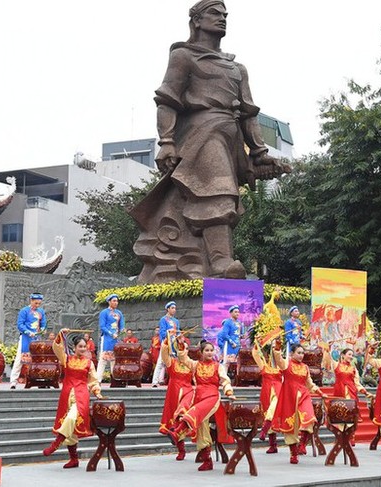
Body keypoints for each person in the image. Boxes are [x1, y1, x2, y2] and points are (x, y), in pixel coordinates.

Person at [130, 0, 290, 282]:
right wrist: (166, 141)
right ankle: (221, 262)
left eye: (225, 14)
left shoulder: (237, 68)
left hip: (231, 136)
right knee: (218, 192)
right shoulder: (183, 56)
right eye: (215, 13)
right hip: (201, 132)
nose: (223, 18)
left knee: (221, 196)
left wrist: (259, 151)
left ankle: (209, 258)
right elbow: (167, 99)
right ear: (196, 21)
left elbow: (249, 112)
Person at [168, 339, 234, 471]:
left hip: (212, 397)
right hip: (198, 397)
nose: (210, 353)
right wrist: (180, 345)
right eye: (207, 350)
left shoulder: (218, 366)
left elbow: (225, 380)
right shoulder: (195, 365)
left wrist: (229, 391)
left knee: (194, 412)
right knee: (202, 429)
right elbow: (183, 358)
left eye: (211, 350)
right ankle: (207, 460)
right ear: (201, 352)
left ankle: (178, 431)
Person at [42, 330, 103, 468]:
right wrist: (60, 334)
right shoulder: (66, 359)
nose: (82, 349)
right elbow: (57, 348)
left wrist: (97, 392)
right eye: (80, 346)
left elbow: (93, 380)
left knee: (70, 418)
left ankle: (56, 443)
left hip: (81, 395)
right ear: (74, 347)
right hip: (67, 394)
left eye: (84, 346)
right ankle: (74, 459)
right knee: (71, 427)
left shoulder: (89, 363)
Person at [272, 342, 326, 464]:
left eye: (303, 353)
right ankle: (293, 453)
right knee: (291, 426)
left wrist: (319, 392)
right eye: (299, 353)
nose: (301, 355)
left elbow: (309, 383)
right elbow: (278, 360)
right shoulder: (286, 364)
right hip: (289, 398)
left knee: (309, 418)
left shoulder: (305, 367)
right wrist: (277, 349)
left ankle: (302, 444)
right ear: (292, 353)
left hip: (304, 396)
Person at [322, 346, 370, 447]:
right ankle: (340, 437)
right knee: (341, 414)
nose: (351, 357)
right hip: (340, 392)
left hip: (351, 393)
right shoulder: (336, 365)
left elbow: (357, 383)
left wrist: (364, 391)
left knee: (351, 415)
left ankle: (351, 437)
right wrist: (328, 349)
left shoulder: (353, 369)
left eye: (352, 355)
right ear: (343, 355)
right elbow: (328, 360)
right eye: (349, 354)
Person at [158, 337, 196, 461]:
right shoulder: (172, 362)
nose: (182, 349)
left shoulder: (191, 364)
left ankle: (203, 451)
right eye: (180, 347)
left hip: (187, 393)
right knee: (174, 422)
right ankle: (181, 450)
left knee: (183, 418)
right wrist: (166, 342)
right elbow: (164, 354)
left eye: (184, 347)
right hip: (173, 394)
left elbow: (197, 380)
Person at [10, 293, 46, 389]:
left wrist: (42, 330)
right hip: (26, 337)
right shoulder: (24, 311)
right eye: (35, 303)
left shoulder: (41, 312)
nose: (37, 305)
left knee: (38, 359)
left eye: (39, 303)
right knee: (19, 359)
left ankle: (40, 380)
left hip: (36, 338)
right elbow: (20, 324)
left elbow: (43, 324)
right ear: (31, 301)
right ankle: (13, 382)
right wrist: (27, 331)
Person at [253, 342, 283, 453]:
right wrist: (256, 345)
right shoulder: (264, 366)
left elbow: (281, 359)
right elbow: (256, 355)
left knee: (272, 410)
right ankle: (273, 445)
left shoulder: (280, 366)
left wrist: (278, 349)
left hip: (278, 392)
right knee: (267, 412)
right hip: (266, 393)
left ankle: (264, 430)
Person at [152, 301, 181, 387]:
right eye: (172, 308)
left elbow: (178, 331)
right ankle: (155, 381)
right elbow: (162, 332)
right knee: (161, 362)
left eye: (175, 308)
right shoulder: (163, 319)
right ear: (168, 309)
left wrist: (179, 337)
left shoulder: (176, 321)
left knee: (175, 362)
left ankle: (175, 380)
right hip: (166, 342)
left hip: (174, 343)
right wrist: (166, 338)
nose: (174, 310)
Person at [96, 294, 124, 382]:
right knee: (103, 359)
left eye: (117, 301)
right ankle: (97, 380)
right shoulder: (104, 312)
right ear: (109, 302)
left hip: (116, 339)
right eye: (114, 301)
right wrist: (111, 334)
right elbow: (102, 327)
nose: (116, 303)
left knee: (114, 360)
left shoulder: (119, 313)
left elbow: (121, 325)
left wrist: (122, 332)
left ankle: (115, 380)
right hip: (107, 338)